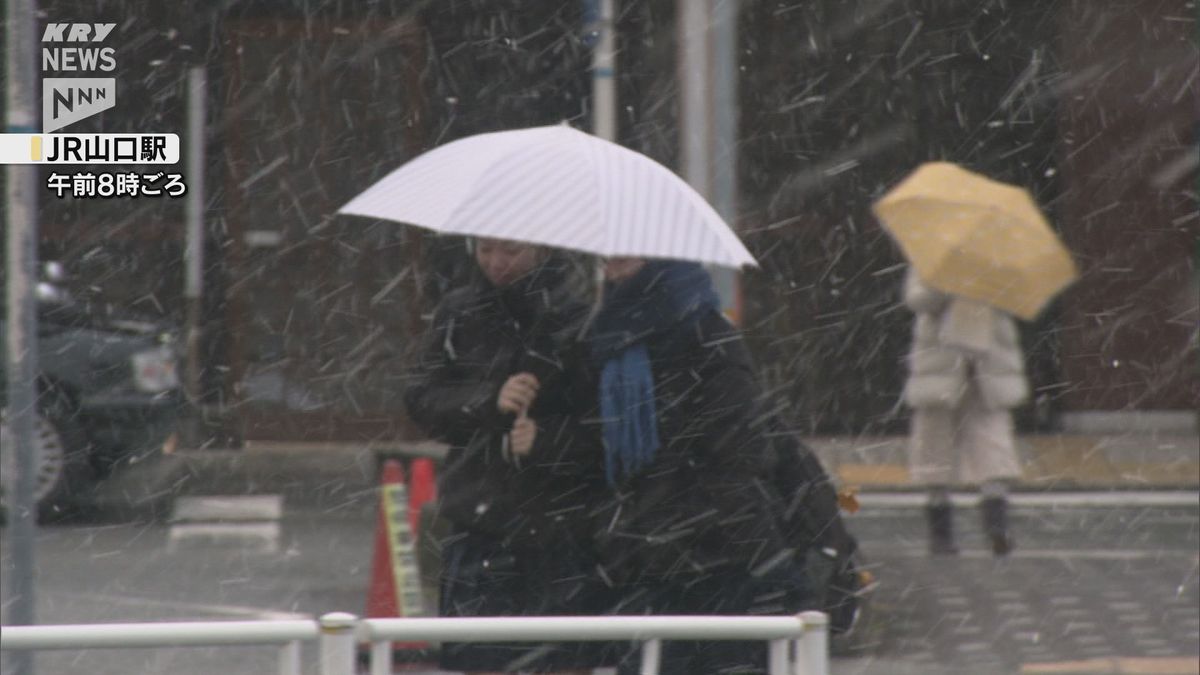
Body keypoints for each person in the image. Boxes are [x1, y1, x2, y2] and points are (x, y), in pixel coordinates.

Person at [586, 257, 808, 675]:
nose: (612, 265)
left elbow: (741, 453)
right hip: (643, 559)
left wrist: (681, 515)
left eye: (626, 252)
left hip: (717, 559)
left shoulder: (705, 333)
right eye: (607, 255)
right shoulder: (608, 335)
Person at [404, 237, 608, 674]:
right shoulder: (460, 312)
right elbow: (421, 398)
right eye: (485, 250)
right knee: (474, 659)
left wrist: (546, 441)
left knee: (553, 662)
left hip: (557, 533)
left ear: (542, 249)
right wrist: (488, 401)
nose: (497, 263)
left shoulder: (579, 321)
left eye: (511, 251)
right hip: (477, 525)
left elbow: (603, 433)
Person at [901, 268, 1029, 556]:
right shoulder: (932, 260)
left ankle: (997, 527)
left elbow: (1017, 301)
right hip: (940, 370)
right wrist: (948, 284)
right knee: (934, 449)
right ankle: (940, 533)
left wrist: (989, 285)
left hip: (986, 370)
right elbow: (917, 300)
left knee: (994, 448)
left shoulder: (998, 261)